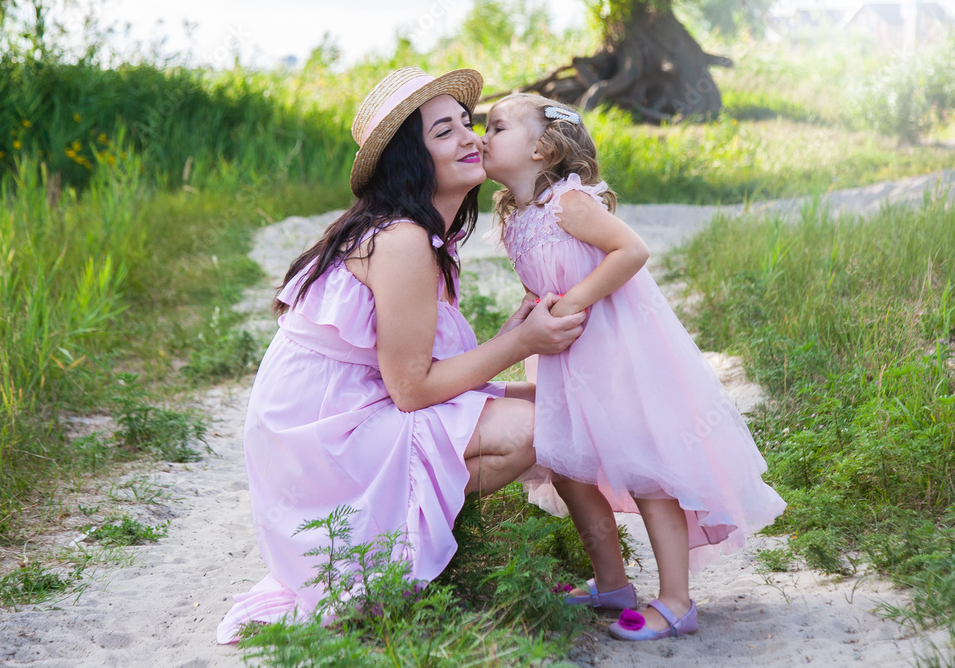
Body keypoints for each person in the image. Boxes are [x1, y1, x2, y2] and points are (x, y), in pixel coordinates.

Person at [216, 69, 585, 645]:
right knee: (530, 430)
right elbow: (413, 390)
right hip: (320, 439)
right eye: (445, 132)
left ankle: (413, 534)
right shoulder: (401, 240)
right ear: (409, 159)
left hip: (347, 411)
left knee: (547, 404)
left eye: (469, 123)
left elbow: (415, 380)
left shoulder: (419, 234)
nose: (471, 138)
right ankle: (387, 552)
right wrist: (520, 344)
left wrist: (524, 358)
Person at [481, 92, 787, 641]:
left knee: (645, 470)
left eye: (497, 126)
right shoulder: (517, 218)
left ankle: (675, 601)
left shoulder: (569, 205)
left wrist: (573, 302)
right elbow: (535, 297)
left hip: (616, 354)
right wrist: (508, 342)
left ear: (542, 149)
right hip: (565, 362)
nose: (482, 137)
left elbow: (631, 251)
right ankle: (613, 584)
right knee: (571, 472)